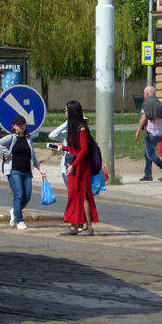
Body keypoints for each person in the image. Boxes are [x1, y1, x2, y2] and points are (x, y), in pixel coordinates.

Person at [0, 114, 46, 230]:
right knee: (19, 195)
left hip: (27, 171)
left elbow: (33, 156)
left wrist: (40, 169)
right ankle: (19, 221)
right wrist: (7, 153)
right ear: (14, 126)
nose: (21, 127)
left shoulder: (28, 139)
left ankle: (15, 211)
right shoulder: (11, 138)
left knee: (27, 196)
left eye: (23, 124)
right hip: (14, 171)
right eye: (19, 125)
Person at [60, 100, 98, 236]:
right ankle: (73, 225)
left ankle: (89, 227)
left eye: (65, 111)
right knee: (73, 195)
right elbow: (73, 148)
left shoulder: (82, 129)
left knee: (83, 196)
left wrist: (73, 166)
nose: (64, 113)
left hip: (81, 166)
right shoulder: (72, 127)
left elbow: (83, 150)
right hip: (74, 166)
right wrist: (61, 147)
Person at [135, 85, 162, 182]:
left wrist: (138, 130)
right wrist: (161, 133)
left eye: (144, 94)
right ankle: (148, 174)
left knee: (150, 153)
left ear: (147, 93)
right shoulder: (160, 104)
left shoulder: (147, 103)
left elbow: (143, 118)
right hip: (158, 132)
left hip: (150, 131)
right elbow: (161, 119)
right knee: (147, 153)